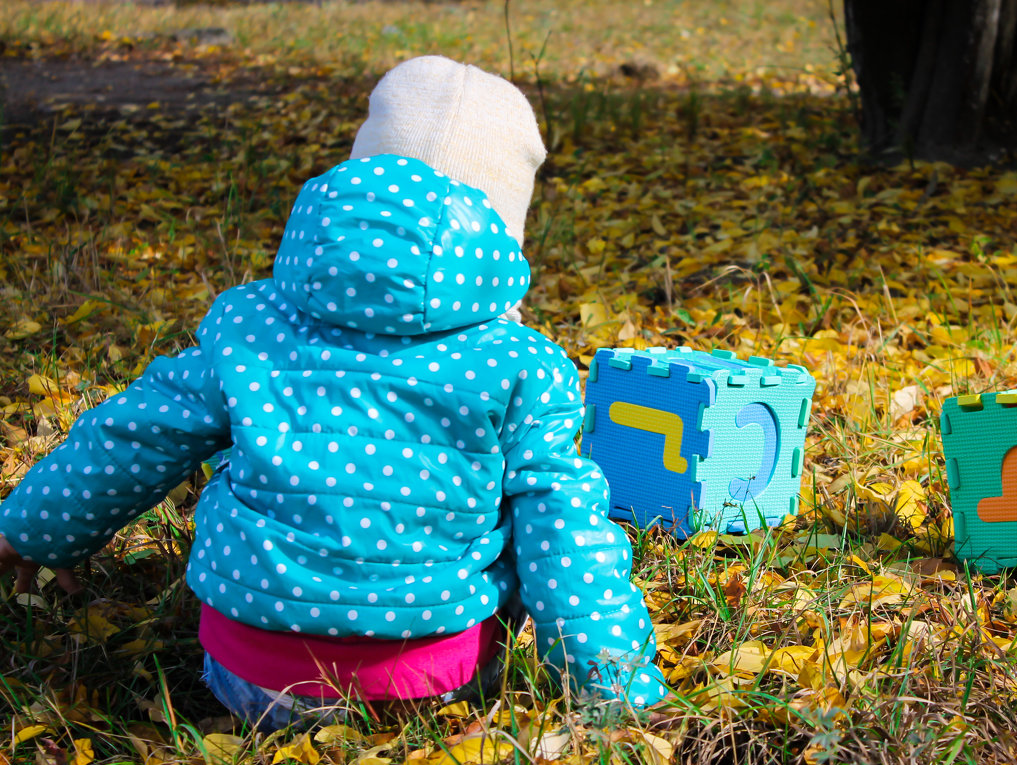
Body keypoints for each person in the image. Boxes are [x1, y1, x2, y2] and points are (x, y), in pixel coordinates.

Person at [0, 55, 667, 730]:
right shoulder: (523, 364)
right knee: (527, 499)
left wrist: (30, 527)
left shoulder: (250, 324)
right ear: (504, 233)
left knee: (240, 448)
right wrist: (615, 692)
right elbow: (566, 531)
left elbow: (135, 433)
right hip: (431, 682)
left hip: (249, 676)